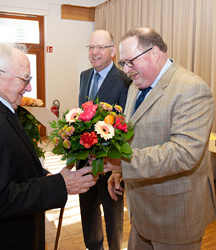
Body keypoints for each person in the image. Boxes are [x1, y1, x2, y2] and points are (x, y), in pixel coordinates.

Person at [0, 43, 96, 250]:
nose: (30, 87)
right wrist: (60, 185)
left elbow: (9, 163)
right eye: (25, 79)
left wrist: (45, 176)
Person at [106, 28, 216, 250]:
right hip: (140, 212)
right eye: (123, 63)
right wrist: (119, 173)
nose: (126, 70)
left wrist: (121, 164)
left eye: (130, 62)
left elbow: (184, 154)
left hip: (175, 215)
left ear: (154, 53)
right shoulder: (134, 88)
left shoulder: (191, 89)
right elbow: (133, 138)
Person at [77, 30, 131, 250]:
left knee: (112, 215)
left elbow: (126, 126)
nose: (95, 52)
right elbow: (80, 115)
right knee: (88, 212)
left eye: (100, 47)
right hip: (84, 159)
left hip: (110, 162)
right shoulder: (84, 75)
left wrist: (117, 166)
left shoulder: (125, 81)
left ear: (113, 51)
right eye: (91, 47)